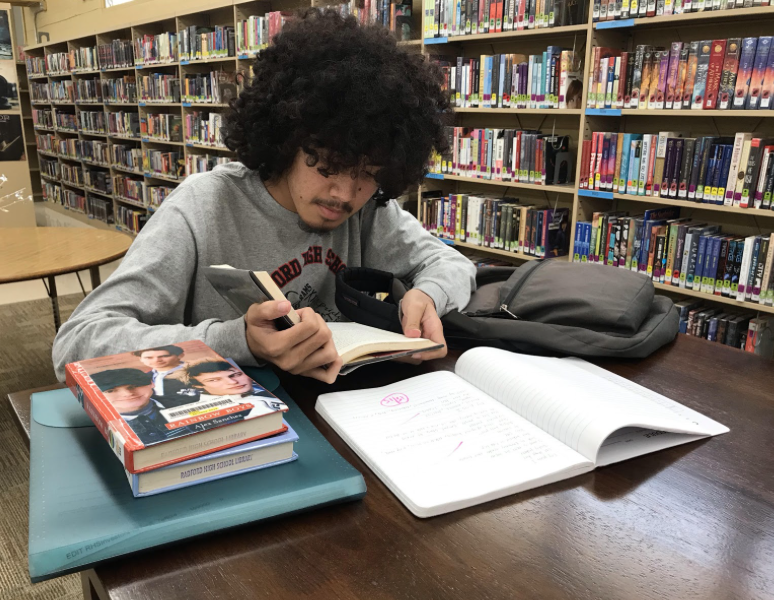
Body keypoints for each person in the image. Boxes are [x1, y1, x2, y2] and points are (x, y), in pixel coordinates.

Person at [51, 8, 477, 385]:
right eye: (325, 162)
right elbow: (77, 343)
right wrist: (236, 340)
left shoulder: (367, 212)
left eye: (368, 175)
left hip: (342, 412)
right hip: (229, 430)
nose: (344, 193)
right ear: (288, 137)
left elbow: (450, 263)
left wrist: (428, 296)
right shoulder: (203, 206)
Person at [89, 369, 194, 445]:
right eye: (110, 391)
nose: (128, 393)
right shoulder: (97, 421)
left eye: (134, 386)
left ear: (151, 384)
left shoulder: (189, 403)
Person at [183, 359, 287, 419]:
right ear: (197, 386)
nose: (233, 382)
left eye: (236, 374)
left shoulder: (257, 390)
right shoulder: (209, 413)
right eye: (214, 380)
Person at [133, 344, 200, 407]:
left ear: (180, 355)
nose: (157, 360)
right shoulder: (144, 377)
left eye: (164, 356)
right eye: (149, 357)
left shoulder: (196, 371)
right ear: (140, 359)